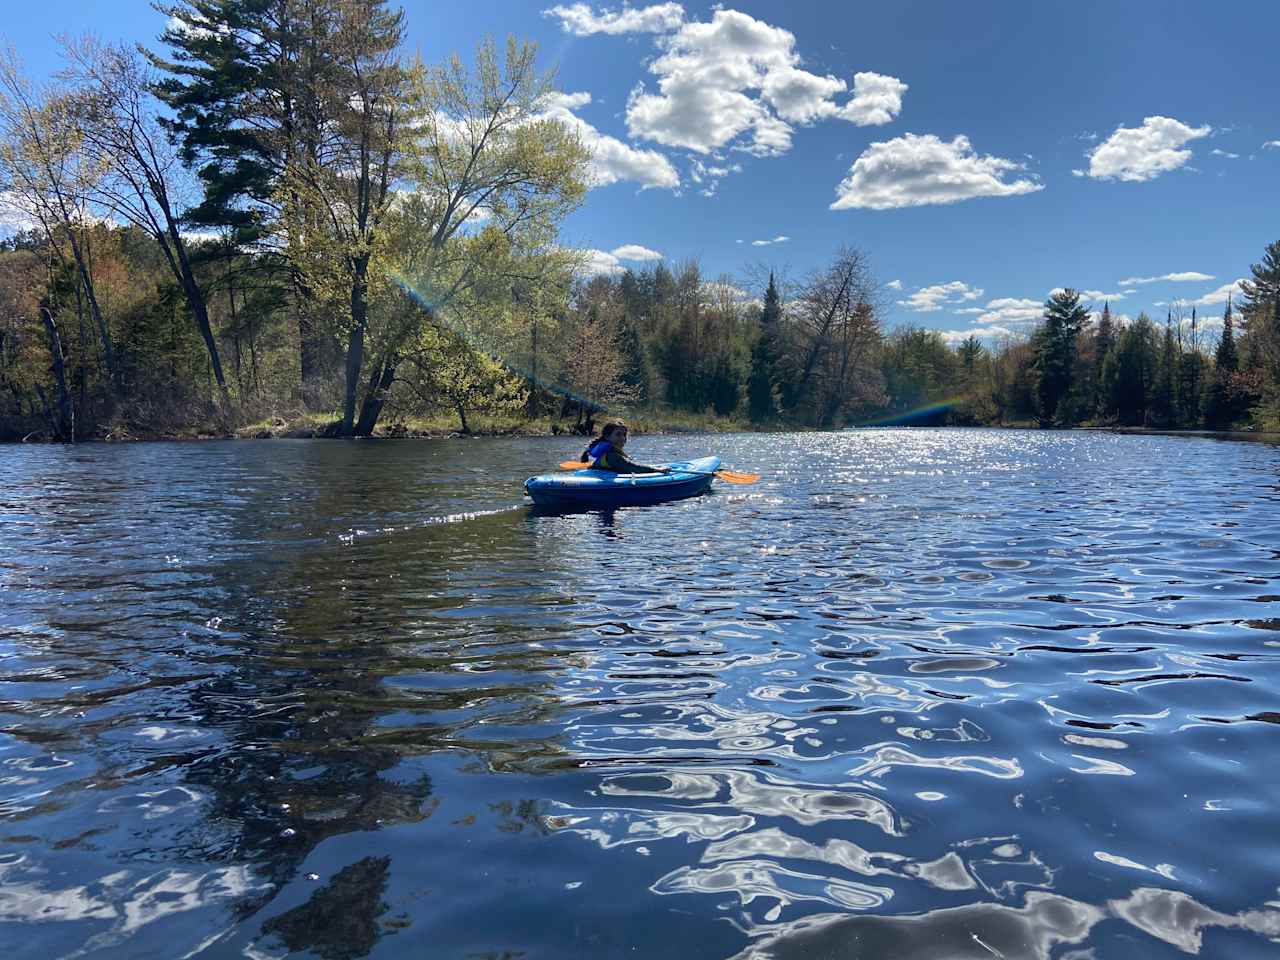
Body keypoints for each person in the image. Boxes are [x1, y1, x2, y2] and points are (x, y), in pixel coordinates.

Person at [580, 421, 669, 474]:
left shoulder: (609, 452)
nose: (622, 438)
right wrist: (656, 470)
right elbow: (631, 467)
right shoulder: (612, 455)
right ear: (607, 437)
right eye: (618, 434)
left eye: (624, 435)